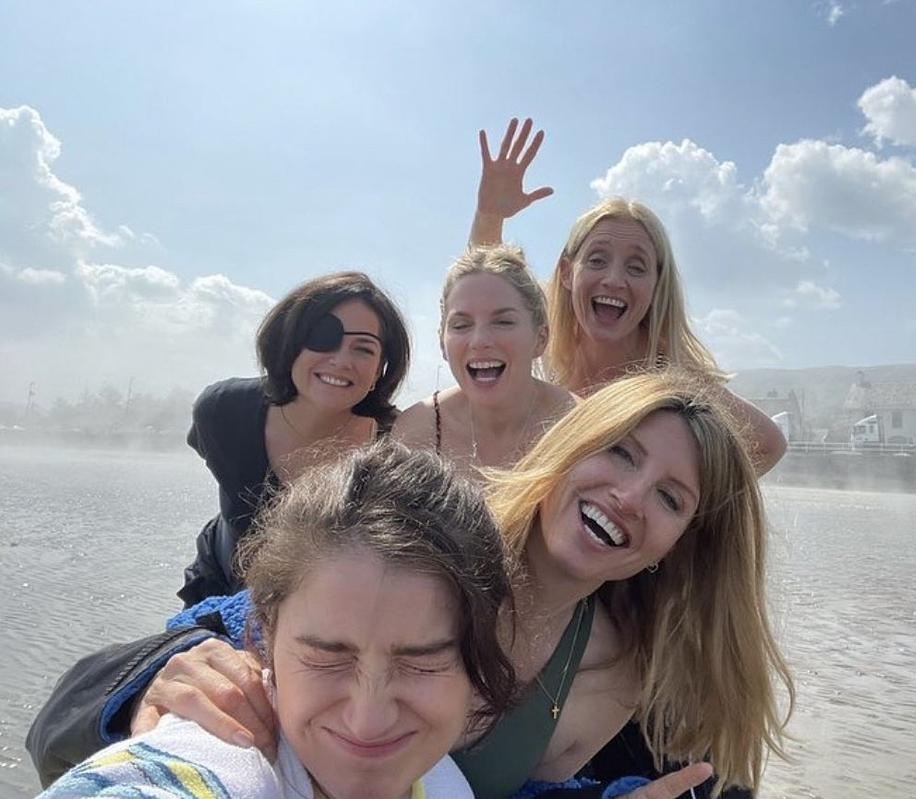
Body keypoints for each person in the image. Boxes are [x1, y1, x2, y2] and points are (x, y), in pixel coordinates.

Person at [28, 369, 791, 798]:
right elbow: (89, 717)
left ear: (679, 543)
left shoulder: (640, 676)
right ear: (567, 447)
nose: (629, 495)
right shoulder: (429, 542)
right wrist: (154, 676)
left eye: (671, 498)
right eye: (620, 453)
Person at [39, 441, 515, 799]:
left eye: (422, 662)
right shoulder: (220, 754)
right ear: (265, 631)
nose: (368, 720)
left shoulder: (443, 782)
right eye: (326, 657)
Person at [468, 119, 785, 475]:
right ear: (568, 272)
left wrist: (684, 498)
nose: (614, 280)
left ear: (656, 285)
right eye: (597, 260)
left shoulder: (670, 378)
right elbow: (490, 285)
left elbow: (767, 442)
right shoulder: (546, 337)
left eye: (636, 267)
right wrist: (490, 215)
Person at [179, 270, 410, 606]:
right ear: (289, 344)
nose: (341, 360)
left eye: (363, 349)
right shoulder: (224, 411)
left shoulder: (398, 446)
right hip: (220, 603)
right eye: (323, 337)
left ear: (380, 369)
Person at [392, 244, 574, 476]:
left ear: (540, 338)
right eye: (461, 325)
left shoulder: (580, 427)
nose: (479, 341)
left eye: (503, 322)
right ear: (442, 344)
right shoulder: (417, 432)